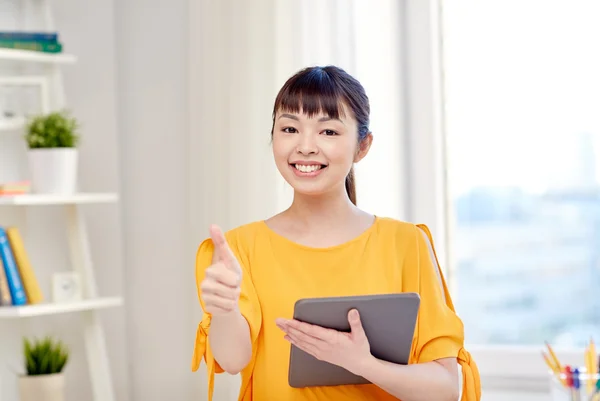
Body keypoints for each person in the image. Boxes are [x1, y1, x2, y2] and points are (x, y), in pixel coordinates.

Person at [190, 65, 481, 401]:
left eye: (328, 132)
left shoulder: (406, 244)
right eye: (289, 128)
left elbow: (445, 389)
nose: (306, 147)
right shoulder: (241, 248)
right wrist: (224, 308)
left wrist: (362, 363)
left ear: (363, 146)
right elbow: (232, 359)